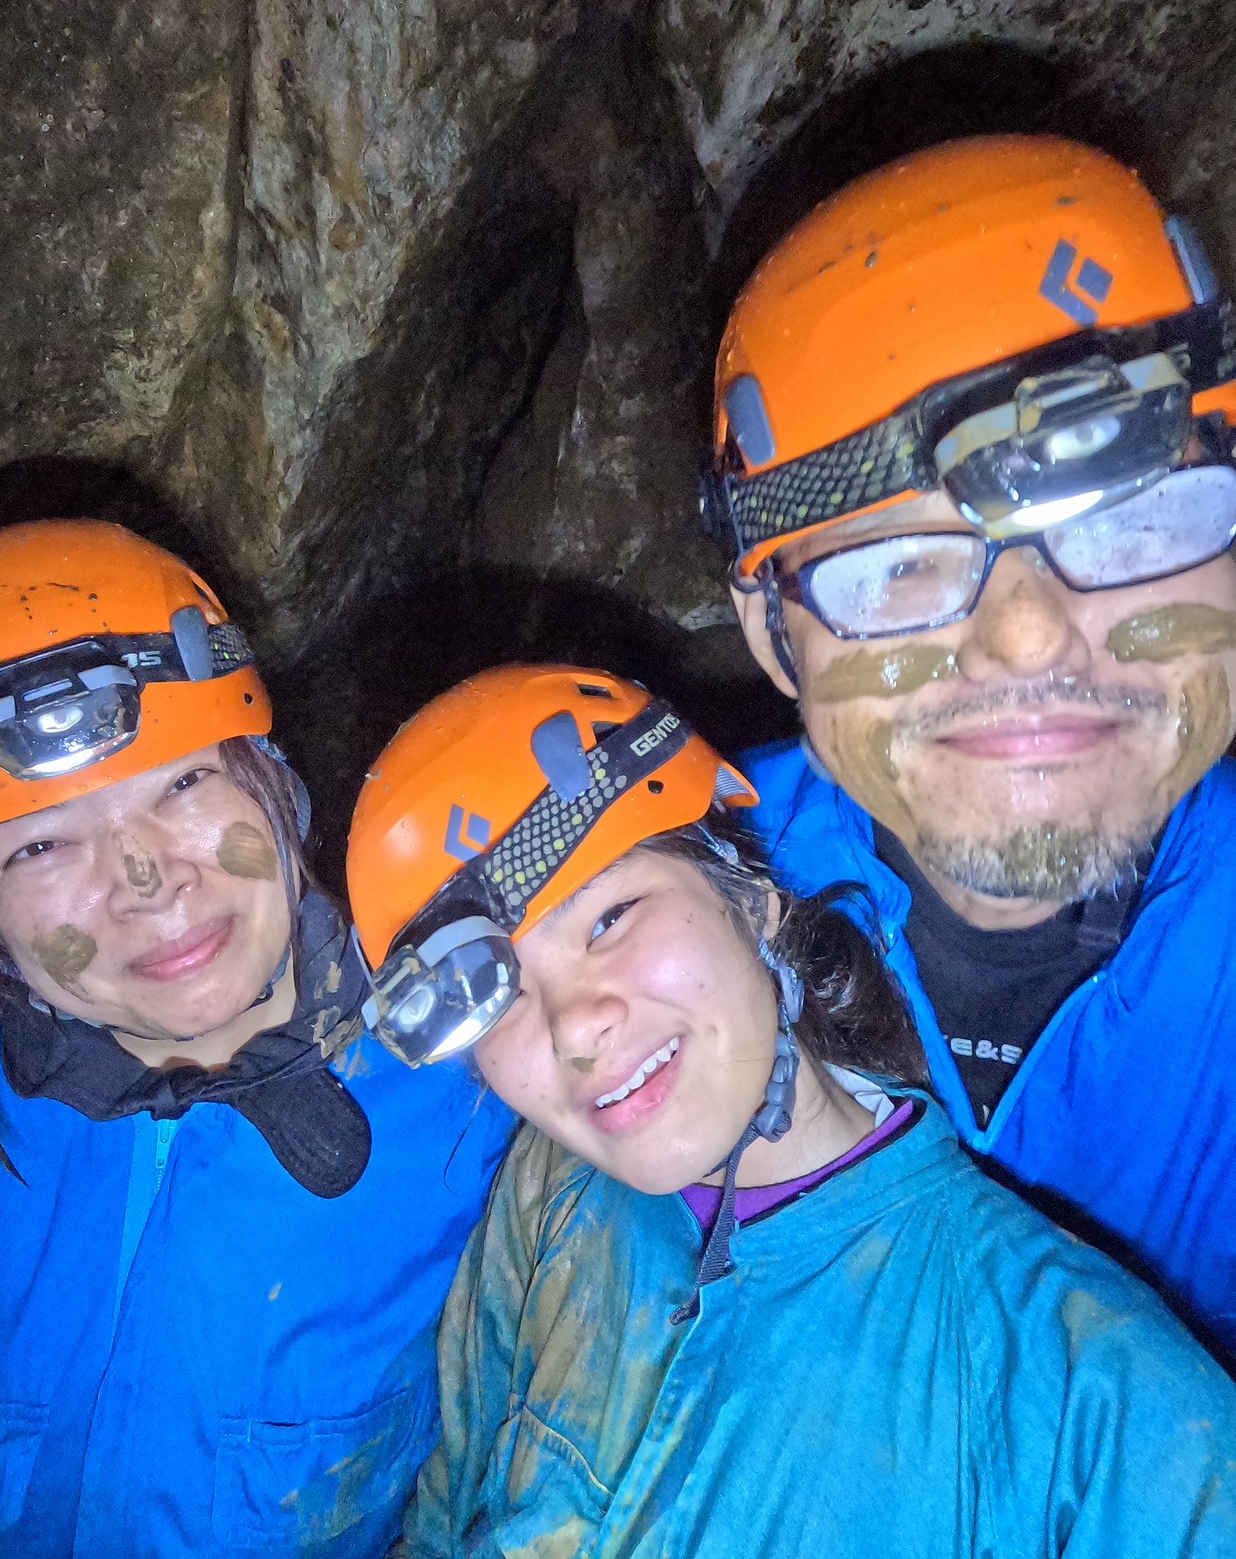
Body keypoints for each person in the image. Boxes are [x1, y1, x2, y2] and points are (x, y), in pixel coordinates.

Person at [344, 662, 1236, 1558]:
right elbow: (442, 1519)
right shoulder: (551, 1191)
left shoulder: (1108, 1404)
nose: (577, 1026)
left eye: (610, 918)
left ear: (755, 901)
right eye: (494, 992)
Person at [0, 520, 511, 1557]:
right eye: (42, 844)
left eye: (181, 782)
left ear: (273, 778)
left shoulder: (480, 1088)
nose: (147, 880)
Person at [699, 133, 1236, 1356]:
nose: (1031, 635)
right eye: (899, 564)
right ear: (774, 637)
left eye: (1132, 514)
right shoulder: (659, 908)